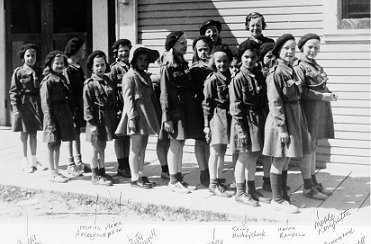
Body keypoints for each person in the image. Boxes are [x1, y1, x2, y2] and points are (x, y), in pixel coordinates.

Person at [263, 34, 311, 213]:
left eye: (292, 48)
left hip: (294, 117)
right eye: (286, 48)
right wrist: (282, 128)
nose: (290, 52)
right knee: (279, 158)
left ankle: (284, 197)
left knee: (286, 159)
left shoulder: (292, 70)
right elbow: (275, 103)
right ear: (278, 51)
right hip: (281, 121)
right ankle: (276, 200)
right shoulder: (276, 72)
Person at [294, 33, 337, 199]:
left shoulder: (315, 66)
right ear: (302, 47)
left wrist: (328, 94)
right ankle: (307, 188)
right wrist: (322, 96)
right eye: (310, 47)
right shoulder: (299, 67)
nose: (313, 50)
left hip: (318, 112)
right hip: (307, 112)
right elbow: (301, 91)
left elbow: (319, 86)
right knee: (307, 149)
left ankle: (313, 182)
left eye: (316, 48)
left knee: (313, 148)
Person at [230, 40, 271, 206]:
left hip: (256, 120)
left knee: (253, 155)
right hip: (243, 121)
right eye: (246, 57)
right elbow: (235, 106)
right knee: (243, 155)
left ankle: (251, 189)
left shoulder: (259, 75)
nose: (250, 60)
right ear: (241, 58)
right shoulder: (238, 79)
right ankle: (240, 192)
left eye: (253, 57)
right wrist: (241, 130)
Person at [115, 45, 160, 189]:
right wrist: (132, 119)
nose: (143, 62)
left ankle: (140, 172)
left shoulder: (145, 75)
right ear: (134, 60)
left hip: (146, 115)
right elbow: (128, 99)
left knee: (143, 146)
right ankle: (134, 177)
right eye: (140, 59)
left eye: (146, 59)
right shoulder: (129, 76)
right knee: (135, 147)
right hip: (136, 116)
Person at [159, 31, 194, 193]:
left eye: (185, 42)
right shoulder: (168, 66)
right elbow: (164, 93)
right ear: (172, 45)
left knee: (180, 143)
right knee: (175, 143)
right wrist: (166, 118)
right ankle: (173, 181)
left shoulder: (183, 63)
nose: (185, 45)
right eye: (181, 43)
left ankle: (178, 176)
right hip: (174, 111)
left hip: (184, 108)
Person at [203, 44, 234, 198]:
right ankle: (213, 183)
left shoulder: (231, 76)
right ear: (213, 62)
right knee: (215, 151)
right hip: (217, 115)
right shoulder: (212, 79)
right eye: (218, 61)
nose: (222, 64)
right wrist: (206, 126)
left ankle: (219, 180)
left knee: (222, 151)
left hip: (228, 115)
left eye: (225, 60)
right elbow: (206, 103)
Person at [83, 50, 118, 186]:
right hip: (95, 120)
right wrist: (91, 124)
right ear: (91, 67)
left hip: (106, 118)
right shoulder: (90, 84)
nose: (100, 68)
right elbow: (87, 106)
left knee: (102, 146)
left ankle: (102, 171)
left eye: (102, 65)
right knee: (95, 147)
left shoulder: (108, 80)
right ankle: (95, 175)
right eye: (96, 65)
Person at [9, 43, 45, 173]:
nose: (31, 58)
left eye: (33, 56)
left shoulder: (40, 71)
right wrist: (15, 107)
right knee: (24, 132)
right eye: (28, 56)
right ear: (23, 57)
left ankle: (34, 160)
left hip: (35, 103)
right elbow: (13, 91)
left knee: (34, 133)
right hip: (23, 103)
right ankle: (24, 160)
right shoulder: (18, 72)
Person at [40, 51, 75, 183]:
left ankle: (57, 170)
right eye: (57, 63)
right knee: (52, 143)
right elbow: (45, 102)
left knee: (58, 143)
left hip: (62, 114)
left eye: (62, 63)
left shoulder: (62, 78)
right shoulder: (48, 81)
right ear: (50, 64)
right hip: (52, 115)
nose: (60, 65)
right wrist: (49, 121)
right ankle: (52, 172)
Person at [63, 37, 90, 177]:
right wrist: (72, 107)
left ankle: (79, 161)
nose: (84, 51)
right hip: (71, 104)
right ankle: (70, 163)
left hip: (79, 103)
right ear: (76, 50)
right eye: (82, 49)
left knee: (77, 131)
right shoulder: (67, 68)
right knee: (71, 132)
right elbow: (68, 89)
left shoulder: (78, 66)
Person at [189, 36, 213, 187]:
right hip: (198, 107)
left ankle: (210, 171)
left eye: (205, 49)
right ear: (196, 52)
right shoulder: (194, 69)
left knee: (209, 140)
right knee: (200, 140)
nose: (203, 52)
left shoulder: (214, 66)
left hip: (212, 107)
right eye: (200, 50)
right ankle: (203, 171)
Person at [110, 39, 132, 178]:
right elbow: (111, 89)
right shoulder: (114, 68)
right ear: (116, 53)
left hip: (130, 105)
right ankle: (121, 165)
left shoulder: (132, 66)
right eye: (121, 51)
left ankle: (127, 164)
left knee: (128, 136)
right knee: (119, 137)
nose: (124, 53)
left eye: (126, 50)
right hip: (119, 105)